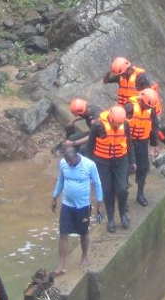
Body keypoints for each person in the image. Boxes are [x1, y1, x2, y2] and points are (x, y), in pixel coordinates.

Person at [51, 145, 103, 275]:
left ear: (76, 156)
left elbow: (97, 183)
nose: (69, 163)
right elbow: (61, 180)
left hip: (83, 206)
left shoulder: (89, 165)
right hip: (67, 204)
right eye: (67, 161)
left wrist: (99, 205)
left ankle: (84, 256)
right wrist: (54, 197)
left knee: (83, 232)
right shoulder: (64, 163)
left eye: (71, 161)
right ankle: (61, 265)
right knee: (63, 234)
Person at [87, 105, 136, 233]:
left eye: (117, 126)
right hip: (103, 162)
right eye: (114, 125)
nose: (116, 127)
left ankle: (122, 214)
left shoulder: (124, 124)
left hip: (121, 160)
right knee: (107, 191)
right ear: (109, 118)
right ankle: (110, 219)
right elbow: (90, 147)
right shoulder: (97, 125)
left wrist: (132, 161)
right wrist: (89, 167)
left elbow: (129, 143)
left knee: (122, 189)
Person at [125, 88, 161, 207]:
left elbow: (154, 127)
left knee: (143, 167)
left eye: (149, 106)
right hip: (127, 142)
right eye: (145, 105)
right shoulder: (129, 107)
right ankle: (123, 194)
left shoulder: (151, 110)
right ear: (140, 100)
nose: (147, 108)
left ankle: (140, 193)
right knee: (125, 168)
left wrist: (154, 144)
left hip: (142, 142)